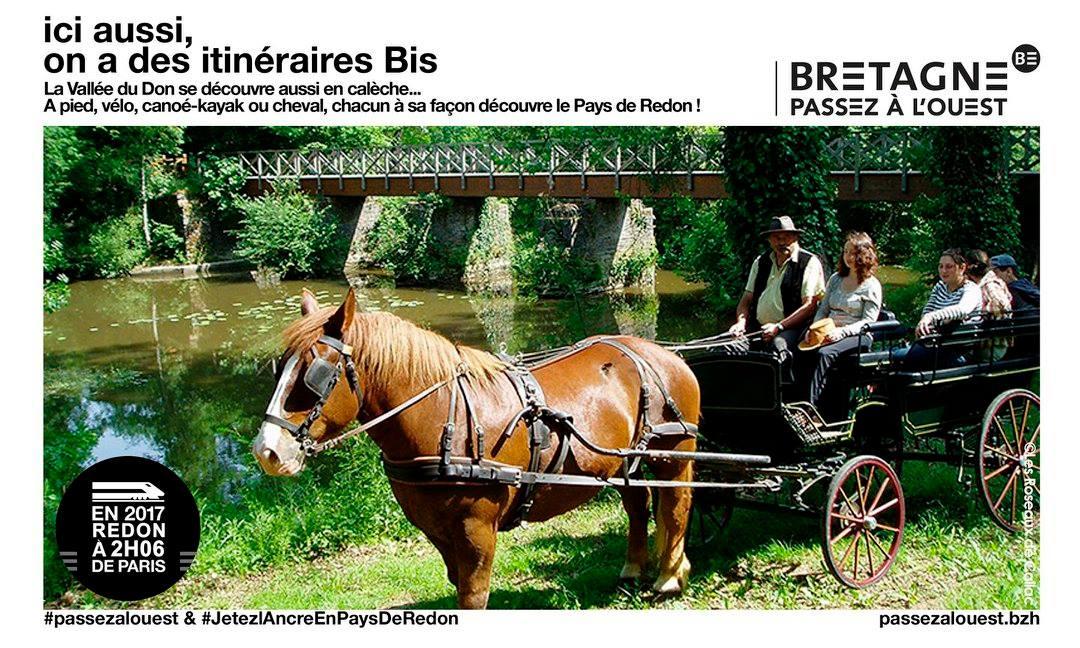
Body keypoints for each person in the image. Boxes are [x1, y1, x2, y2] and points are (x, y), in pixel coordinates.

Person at [727, 216, 826, 374]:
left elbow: (809, 306)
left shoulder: (808, 262)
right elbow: (746, 299)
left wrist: (778, 327)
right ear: (769, 240)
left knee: (778, 349)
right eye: (776, 237)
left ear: (795, 238)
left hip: (793, 328)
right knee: (727, 347)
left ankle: (780, 389)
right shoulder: (761, 262)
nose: (781, 242)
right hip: (758, 328)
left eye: (786, 237)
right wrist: (741, 323)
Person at [798, 232, 882, 413]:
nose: (848, 257)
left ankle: (811, 411)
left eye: (853, 253)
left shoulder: (871, 285)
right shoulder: (835, 279)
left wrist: (841, 332)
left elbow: (868, 321)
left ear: (865, 255)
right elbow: (823, 309)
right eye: (845, 252)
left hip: (858, 335)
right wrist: (814, 329)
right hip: (828, 329)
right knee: (802, 350)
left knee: (825, 353)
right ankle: (796, 403)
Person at [895, 248, 981, 370]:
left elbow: (962, 310)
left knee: (909, 358)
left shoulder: (971, 289)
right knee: (897, 355)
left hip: (958, 348)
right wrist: (924, 324)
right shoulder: (940, 286)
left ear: (962, 268)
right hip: (937, 342)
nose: (943, 271)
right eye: (941, 266)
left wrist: (931, 317)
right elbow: (928, 310)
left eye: (949, 267)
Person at [966, 249, 1012, 361]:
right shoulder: (979, 284)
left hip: (992, 346)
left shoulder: (990, 284)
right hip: (981, 342)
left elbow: (1002, 308)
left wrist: (979, 312)